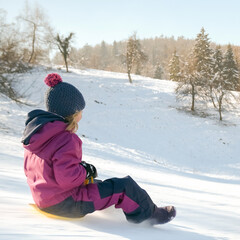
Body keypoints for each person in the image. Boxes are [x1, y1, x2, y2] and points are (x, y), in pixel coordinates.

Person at [22, 73, 176, 224]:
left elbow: (46, 169)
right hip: (65, 204)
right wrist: (84, 171)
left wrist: (81, 169)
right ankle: (151, 215)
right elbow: (67, 178)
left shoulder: (38, 135)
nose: (82, 114)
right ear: (73, 113)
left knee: (96, 183)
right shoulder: (67, 139)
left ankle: (116, 209)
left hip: (45, 198)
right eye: (80, 111)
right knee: (124, 186)